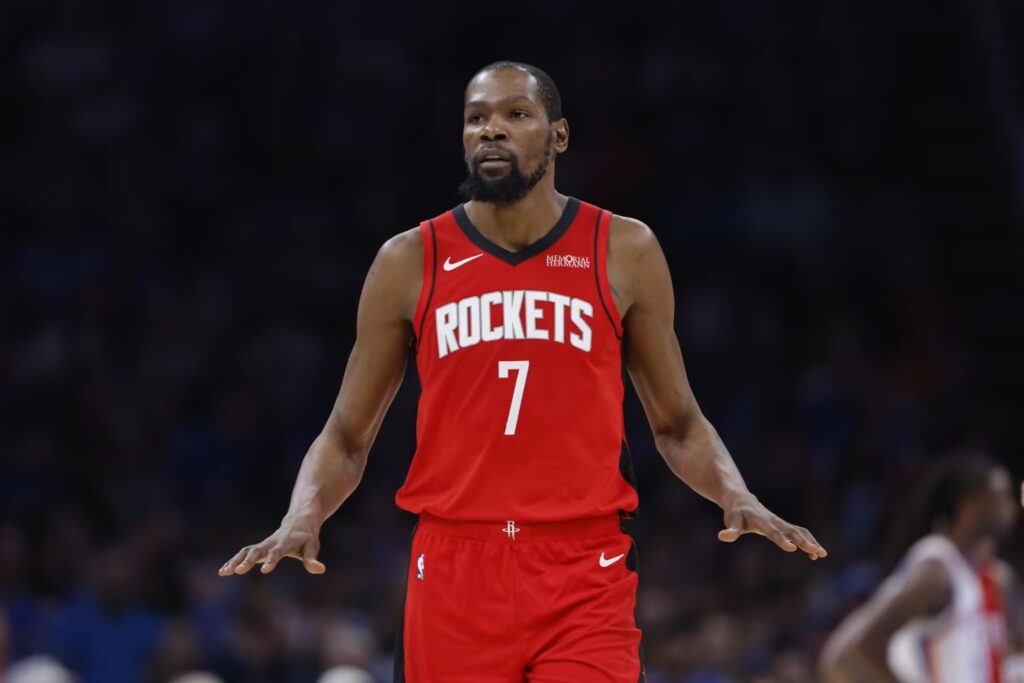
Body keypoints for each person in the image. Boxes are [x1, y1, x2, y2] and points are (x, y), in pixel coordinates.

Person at [219, 60, 827, 682]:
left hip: (582, 566)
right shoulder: (408, 261)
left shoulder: (623, 248)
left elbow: (677, 424)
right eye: (476, 118)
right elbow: (346, 436)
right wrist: (304, 514)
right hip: (455, 565)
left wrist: (735, 493)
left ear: (558, 135)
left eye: (515, 115)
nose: (491, 131)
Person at [819, 454, 1018, 682]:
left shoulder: (973, 573)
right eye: (1003, 496)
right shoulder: (938, 569)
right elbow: (850, 650)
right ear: (971, 502)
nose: (1012, 506)